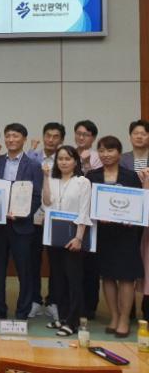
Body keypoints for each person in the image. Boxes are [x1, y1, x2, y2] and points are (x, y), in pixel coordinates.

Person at [0, 123, 42, 325]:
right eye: (8, 136)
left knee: (25, 271)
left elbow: (37, 195)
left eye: (15, 136)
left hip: (22, 226)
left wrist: (22, 214)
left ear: (24, 139)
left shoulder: (33, 165)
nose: (11, 140)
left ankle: (23, 312)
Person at [87, 136, 144, 338]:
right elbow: (87, 203)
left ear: (119, 153)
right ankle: (114, 316)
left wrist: (132, 218)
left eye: (110, 150)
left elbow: (139, 203)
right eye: (102, 150)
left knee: (126, 277)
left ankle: (124, 319)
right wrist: (96, 214)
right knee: (108, 276)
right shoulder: (92, 176)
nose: (106, 154)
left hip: (126, 234)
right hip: (103, 234)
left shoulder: (130, 176)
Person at [42, 145, 92, 336]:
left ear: (75, 161)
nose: (63, 162)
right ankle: (62, 318)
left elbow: (84, 211)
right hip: (54, 235)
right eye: (60, 159)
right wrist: (46, 177)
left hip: (73, 236)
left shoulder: (82, 182)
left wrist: (79, 238)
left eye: (68, 159)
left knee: (74, 280)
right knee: (59, 279)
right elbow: (47, 202)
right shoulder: (52, 179)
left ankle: (73, 321)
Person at [26, 122, 65, 321]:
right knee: (33, 260)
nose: (51, 140)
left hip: (56, 217)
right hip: (33, 216)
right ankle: (34, 300)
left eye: (55, 136)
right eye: (48, 135)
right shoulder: (32, 158)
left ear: (62, 140)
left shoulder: (64, 160)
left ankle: (53, 301)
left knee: (56, 261)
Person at [74, 119, 102, 318]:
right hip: (71, 215)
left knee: (90, 264)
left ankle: (90, 307)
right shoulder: (69, 153)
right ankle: (73, 304)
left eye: (86, 134)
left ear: (93, 138)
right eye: (79, 133)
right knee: (72, 264)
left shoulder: (98, 156)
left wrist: (86, 164)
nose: (81, 137)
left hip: (92, 217)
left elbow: (97, 182)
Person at [121, 120, 149, 320]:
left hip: (148, 220)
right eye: (136, 133)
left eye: (144, 133)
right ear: (130, 136)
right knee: (129, 261)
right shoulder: (123, 159)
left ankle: (146, 308)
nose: (139, 136)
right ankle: (127, 308)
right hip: (128, 218)